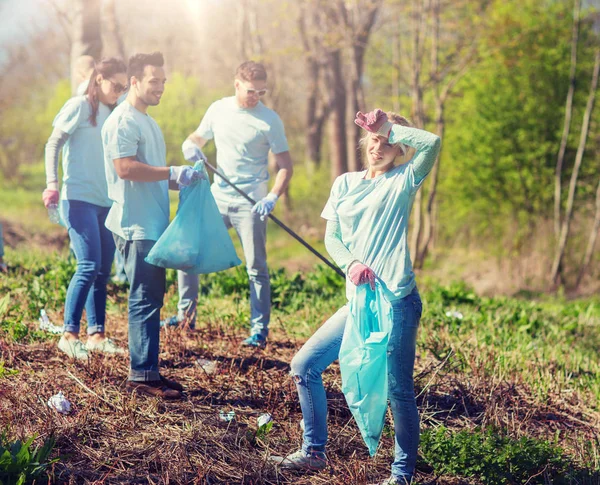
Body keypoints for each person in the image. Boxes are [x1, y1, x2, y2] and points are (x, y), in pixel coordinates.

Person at [269, 109, 441, 485]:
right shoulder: (344, 183)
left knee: (398, 389)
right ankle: (314, 452)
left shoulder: (404, 180)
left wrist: (388, 126)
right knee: (304, 365)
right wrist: (351, 263)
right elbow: (332, 237)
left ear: (399, 149)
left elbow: (432, 143)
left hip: (397, 302)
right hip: (359, 303)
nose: (377, 148)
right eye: (374, 140)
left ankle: (402, 474)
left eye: (386, 143)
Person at [163, 61, 293, 348]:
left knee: (256, 267)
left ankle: (259, 330)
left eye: (261, 91)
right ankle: (186, 315)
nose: (256, 96)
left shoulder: (269, 120)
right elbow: (197, 137)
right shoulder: (218, 109)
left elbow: (285, 166)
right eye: (250, 91)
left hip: (252, 204)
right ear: (236, 84)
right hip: (218, 197)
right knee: (188, 250)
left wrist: (272, 197)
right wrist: (191, 146)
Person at [102, 52, 202, 400]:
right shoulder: (123, 121)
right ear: (134, 82)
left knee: (153, 297)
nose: (160, 87)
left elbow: (151, 175)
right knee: (144, 298)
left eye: (163, 81)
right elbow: (125, 169)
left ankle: (150, 372)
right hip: (135, 224)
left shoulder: (148, 121)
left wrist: (181, 181)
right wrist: (172, 171)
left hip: (153, 224)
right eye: (154, 81)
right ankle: (140, 378)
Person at [42, 57, 129, 361]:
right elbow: (53, 143)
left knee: (103, 271)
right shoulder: (79, 106)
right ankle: (68, 335)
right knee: (88, 265)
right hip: (77, 199)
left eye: (124, 87)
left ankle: (97, 335)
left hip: (105, 203)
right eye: (115, 85)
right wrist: (52, 183)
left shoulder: (113, 113)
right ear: (99, 79)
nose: (119, 91)